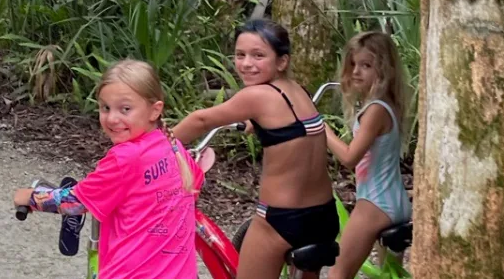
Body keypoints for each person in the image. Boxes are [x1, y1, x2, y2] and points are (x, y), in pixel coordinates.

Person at [169, 19, 335, 279]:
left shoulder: (256, 97)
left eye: (258, 55)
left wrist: (157, 147)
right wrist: (253, 122)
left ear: (282, 61)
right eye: (240, 55)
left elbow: (200, 120)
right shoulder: (297, 90)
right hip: (323, 216)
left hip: (282, 219)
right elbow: (282, 123)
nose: (246, 63)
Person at [13, 60, 202, 279]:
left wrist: (29, 197)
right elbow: (195, 183)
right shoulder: (173, 146)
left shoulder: (126, 158)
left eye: (125, 109)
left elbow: (74, 202)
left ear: (154, 110)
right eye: (105, 107)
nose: (112, 118)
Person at [325, 31, 411, 279]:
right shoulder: (388, 107)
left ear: (384, 70)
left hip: (375, 202)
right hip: (396, 201)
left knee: (338, 274)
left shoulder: (375, 110)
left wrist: (323, 130)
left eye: (366, 65)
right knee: (389, 275)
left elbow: (350, 158)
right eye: (353, 64)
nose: (356, 72)